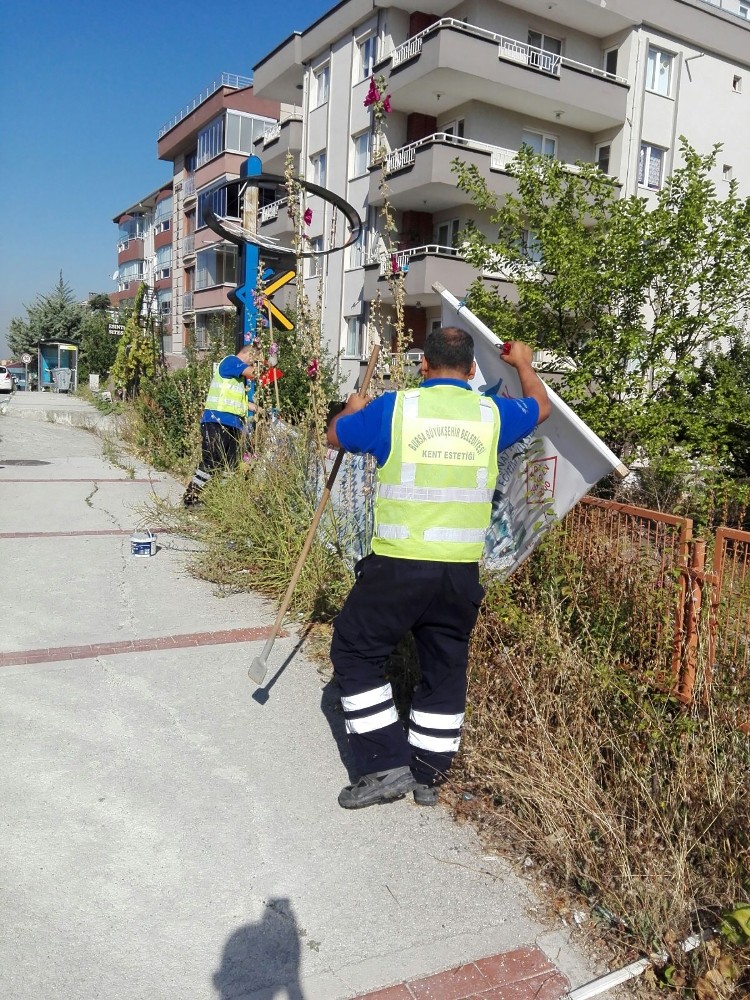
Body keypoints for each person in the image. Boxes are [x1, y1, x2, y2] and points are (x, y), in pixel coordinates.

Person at [326, 326, 550, 809]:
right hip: (459, 571)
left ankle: (384, 764)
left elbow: (334, 436)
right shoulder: (492, 415)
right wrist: (524, 365)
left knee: (355, 651)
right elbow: (541, 408)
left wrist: (353, 406)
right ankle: (429, 774)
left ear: (422, 366)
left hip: (399, 566)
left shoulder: (396, 408)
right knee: (445, 666)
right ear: (472, 372)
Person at [183, 343, 261, 507]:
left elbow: (239, 401)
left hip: (233, 426)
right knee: (211, 461)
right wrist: (267, 363)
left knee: (230, 465)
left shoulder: (237, 379)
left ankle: (222, 502)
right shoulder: (230, 362)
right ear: (249, 355)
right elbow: (253, 374)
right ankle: (190, 498)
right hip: (216, 421)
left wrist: (258, 409)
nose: (254, 365)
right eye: (254, 361)